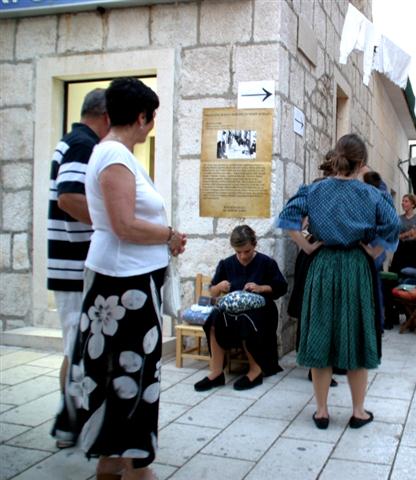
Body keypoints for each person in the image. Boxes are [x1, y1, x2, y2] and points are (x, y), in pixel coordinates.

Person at [53, 77, 187, 480]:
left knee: (121, 383)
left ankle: (115, 466)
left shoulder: (115, 153)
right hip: (121, 289)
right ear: (142, 117)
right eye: (151, 119)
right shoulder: (113, 156)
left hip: (127, 284)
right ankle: (131, 465)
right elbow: (124, 225)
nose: (151, 127)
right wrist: (168, 235)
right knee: (127, 382)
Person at [278, 133, 400, 430]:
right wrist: (373, 251)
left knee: (320, 330)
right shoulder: (373, 195)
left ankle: (321, 411)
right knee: (357, 334)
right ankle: (358, 411)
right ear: (361, 163)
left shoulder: (314, 191)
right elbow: (393, 225)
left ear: (336, 157)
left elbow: (287, 216)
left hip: (322, 266)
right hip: (357, 267)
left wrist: (307, 247)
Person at [47, 88, 109, 449]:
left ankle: (70, 419)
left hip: (68, 263)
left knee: (77, 347)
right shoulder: (83, 144)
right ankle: (69, 421)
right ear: (104, 117)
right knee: (78, 346)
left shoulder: (73, 141)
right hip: (73, 265)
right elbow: (69, 197)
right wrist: (110, 222)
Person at [194, 225, 287, 392]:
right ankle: (216, 373)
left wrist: (261, 288)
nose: (243, 256)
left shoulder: (266, 263)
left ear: (254, 245)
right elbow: (212, 291)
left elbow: (281, 287)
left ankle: (255, 370)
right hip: (231, 311)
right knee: (212, 318)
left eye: (247, 251)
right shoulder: (226, 264)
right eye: (239, 252)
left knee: (246, 318)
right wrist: (218, 287)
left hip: (261, 310)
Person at [389, 194, 416, 274]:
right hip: (401, 252)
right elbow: (393, 237)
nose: (403, 203)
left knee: (415, 278)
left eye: (406, 201)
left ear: (413, 204)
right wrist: (407, 234)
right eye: (402, 201)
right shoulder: (398, 219)